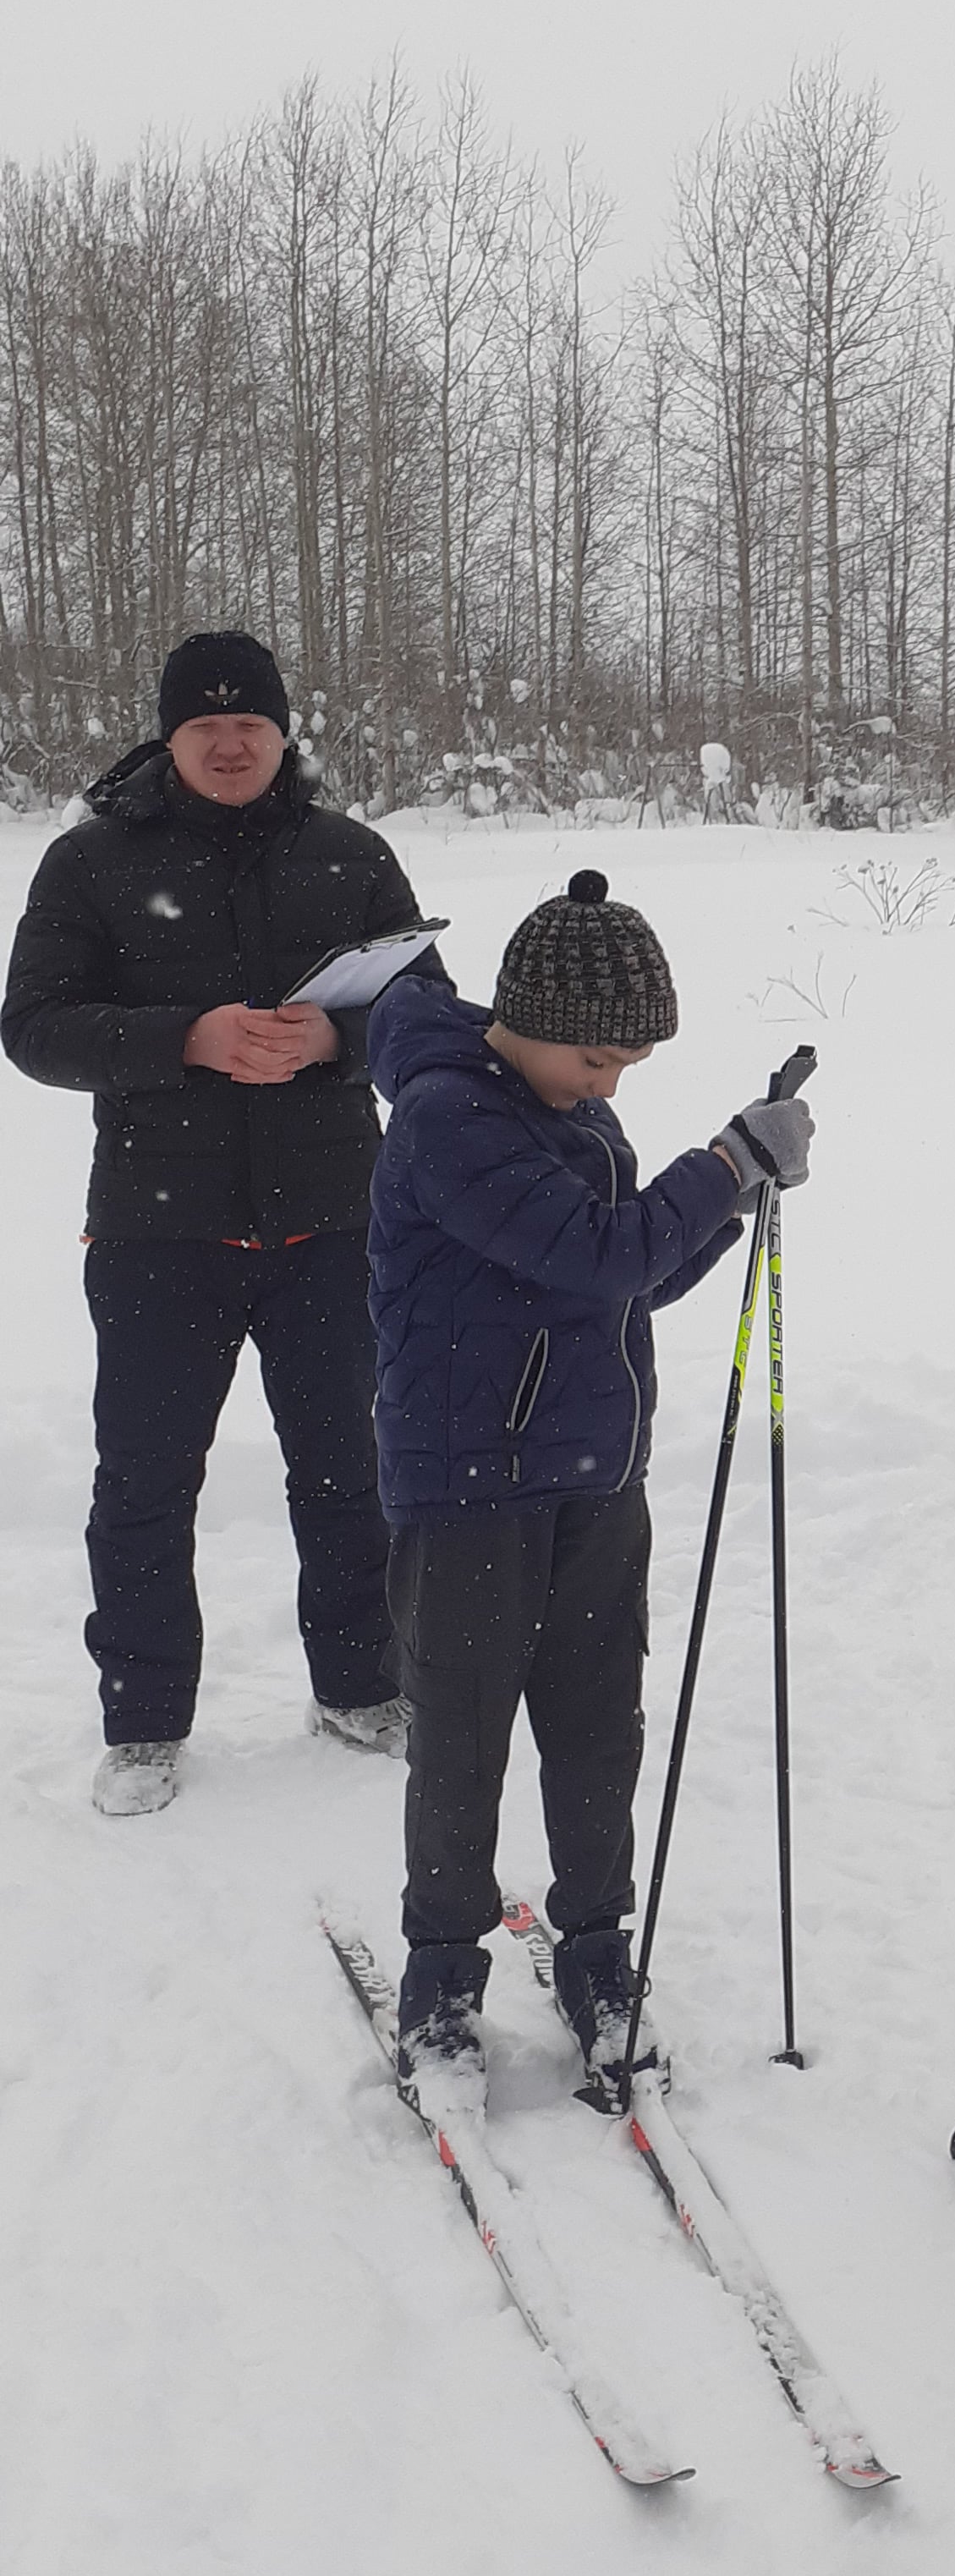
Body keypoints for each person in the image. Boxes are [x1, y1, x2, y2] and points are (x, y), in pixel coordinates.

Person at [364, 871, 815, 2101]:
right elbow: (594, 1247)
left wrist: (736, 1195)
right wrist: (722, 1164)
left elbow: (628, 1277)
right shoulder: (451, 1116)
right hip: (468, 1491)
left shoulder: (571, 1115)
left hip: (592, 1479)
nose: (611, 1083)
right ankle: (443, 1980)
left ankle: (600, 1950)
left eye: (627, 1064)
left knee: (595, 1728)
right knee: (460, 1740)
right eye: (597, 1057)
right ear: (525, 1018)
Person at [2, 630, 440, 1816]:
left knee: (351, 1468)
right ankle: (143, 1721)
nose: (232, 741)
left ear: (285, 732)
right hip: (160, 1232)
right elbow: (33, 1026)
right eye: (207, 724)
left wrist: (341, 1042)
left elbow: (429, 1013)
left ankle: (358, 1683)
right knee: (143, 1482)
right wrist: (182, 1038)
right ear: (172, 735)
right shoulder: (92, 861)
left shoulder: (351, 855)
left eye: (252, 722)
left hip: (336, 1223)